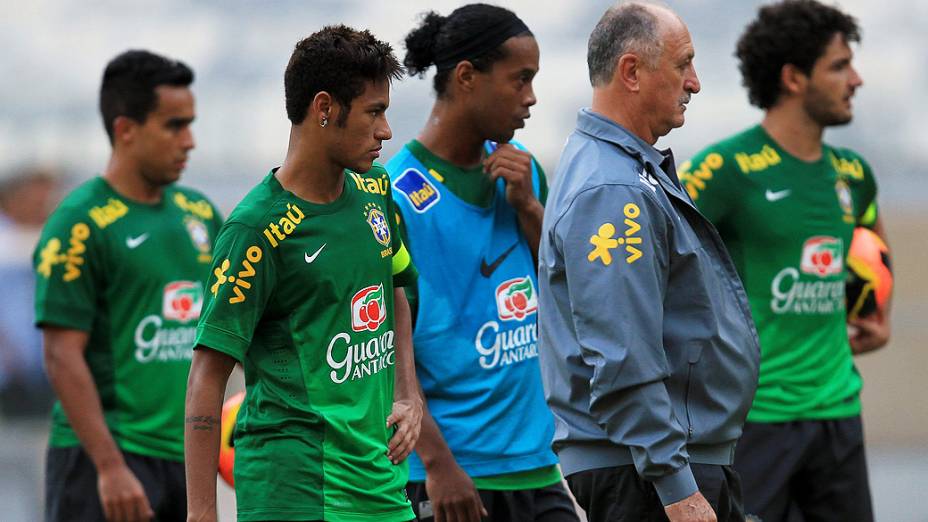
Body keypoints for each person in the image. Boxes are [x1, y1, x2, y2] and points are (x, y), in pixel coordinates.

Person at [184, 26, 422, 522]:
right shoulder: (257, 228)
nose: (387, 131)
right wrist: (202, 512)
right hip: (294, 491)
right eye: (374, 112)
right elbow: (208, 375)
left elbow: (395, 287)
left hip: (379, 484)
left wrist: (408, 392)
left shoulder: (375, 188)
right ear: (324, 109)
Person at [537, 3, 761, 522]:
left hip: (656, 463)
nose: (696, 83)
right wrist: (676, 485)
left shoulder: (626, 170)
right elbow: (623, 356)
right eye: (683, 64)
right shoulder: (612, 188)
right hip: (646, 473)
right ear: (632, 72)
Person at [678, 2, 889, 520]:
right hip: (757, 420)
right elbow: (657, 258)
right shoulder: (726, 168)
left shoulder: (853, 173)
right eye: (839, 66)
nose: (856, 79)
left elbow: (873, 249)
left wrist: (876, 317)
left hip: (839, 415)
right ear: (794, 77)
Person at [386, 4, 578, 521]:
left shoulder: (524, 174)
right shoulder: (395, 195)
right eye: (520, 80)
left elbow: (567, 297)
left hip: (537, 466)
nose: (531, 98)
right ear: (468, 77)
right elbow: (385, 350)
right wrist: (438, 465)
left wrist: (530, 211)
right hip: (452, 479)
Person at [33, 50, 221, 521]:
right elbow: (60, 353)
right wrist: (109, 466)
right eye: (174, 126)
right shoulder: (79, 223)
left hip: (183, 458)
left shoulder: (200, 214)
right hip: (106, 459)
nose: (190, 141)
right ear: (126, 130)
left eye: (191, 124)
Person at [1, 168, 59, 418]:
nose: (42, 205)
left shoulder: (51, 237)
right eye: (35, 199)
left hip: (45, 366)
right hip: (9, 366)